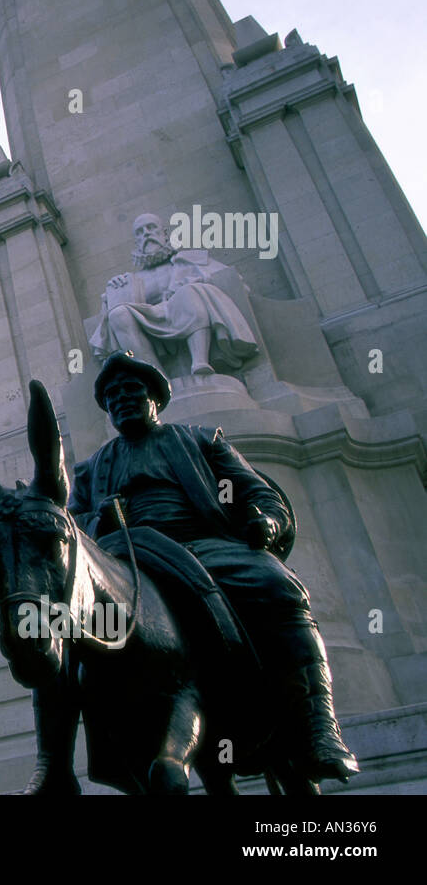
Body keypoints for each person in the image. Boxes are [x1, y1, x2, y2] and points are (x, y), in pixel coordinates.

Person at [26, 352, 357, 791]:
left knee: (280, 588)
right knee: (53, 624)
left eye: (131, 391)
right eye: (111, 395)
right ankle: (53, 763)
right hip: (126, 562)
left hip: (205, 550)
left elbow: (261, 494)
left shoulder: (202, 441)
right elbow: (70, 527)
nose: (121, 399)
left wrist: (265, 521)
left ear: (155, 400)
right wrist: (96, 521)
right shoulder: (91, 470)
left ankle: (319, 726)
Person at [89, 213, 258, 376]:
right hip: (151, 317)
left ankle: (200, 361)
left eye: (151, 228)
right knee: (118, 313)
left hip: (185, 308)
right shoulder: (133, 280)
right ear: (136, 243)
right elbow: (105, 326)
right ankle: (157, 377)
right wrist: (111, 296)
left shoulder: (189, 260)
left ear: (165, 234)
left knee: (188, 291)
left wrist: (200, 279)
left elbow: (232, 281)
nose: (146, 233)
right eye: (140, 232)